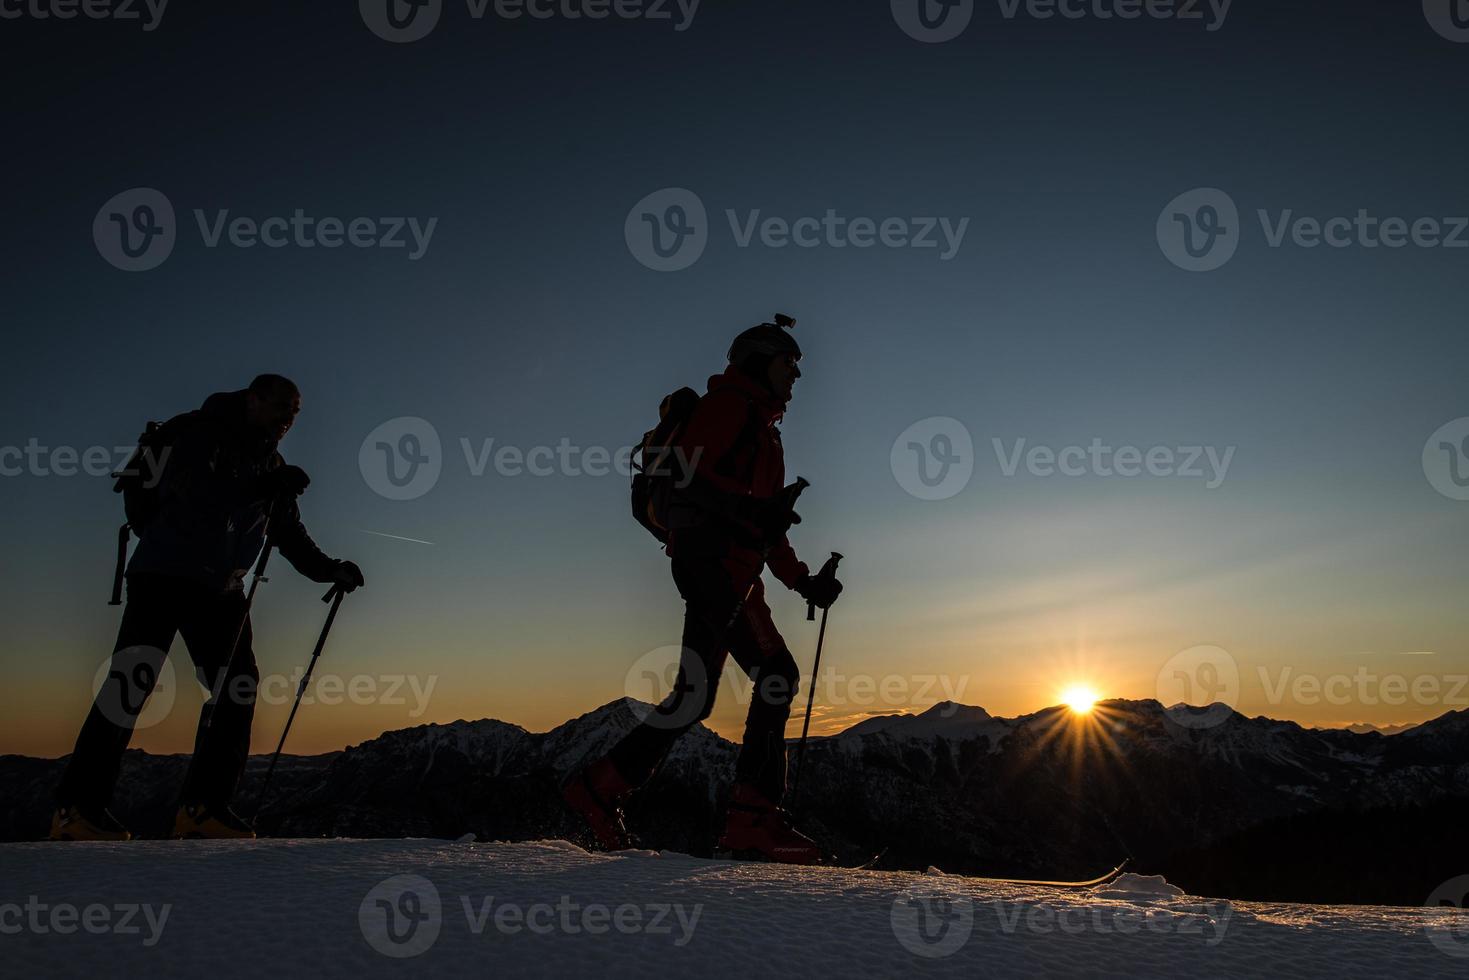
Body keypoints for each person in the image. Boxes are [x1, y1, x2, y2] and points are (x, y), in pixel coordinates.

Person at [563, 319, 843, 864]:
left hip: (730, 570)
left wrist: (804, 579)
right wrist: (753, 518)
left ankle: (602, 787)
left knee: (699, 695)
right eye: (789, 363)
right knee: (771, 677)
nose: (797, 375)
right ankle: (751, 821)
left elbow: (766, 527)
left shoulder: (763, 430)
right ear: (760, 360)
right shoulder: (728, 409)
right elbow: (697, 482)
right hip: (713, 565)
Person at [50, 375, 365, 841]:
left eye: (295, 412)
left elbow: (287, 534)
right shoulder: (198, 434)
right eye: (281, 406)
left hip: (221, 588)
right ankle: (78, 812)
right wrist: (264, 484)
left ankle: (201, 809)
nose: (287, 419)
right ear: (252, 399)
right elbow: (199, 497)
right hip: (164, 575)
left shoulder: (268, 462)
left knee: (235, 687)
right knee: (131, 685)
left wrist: (330, 569)